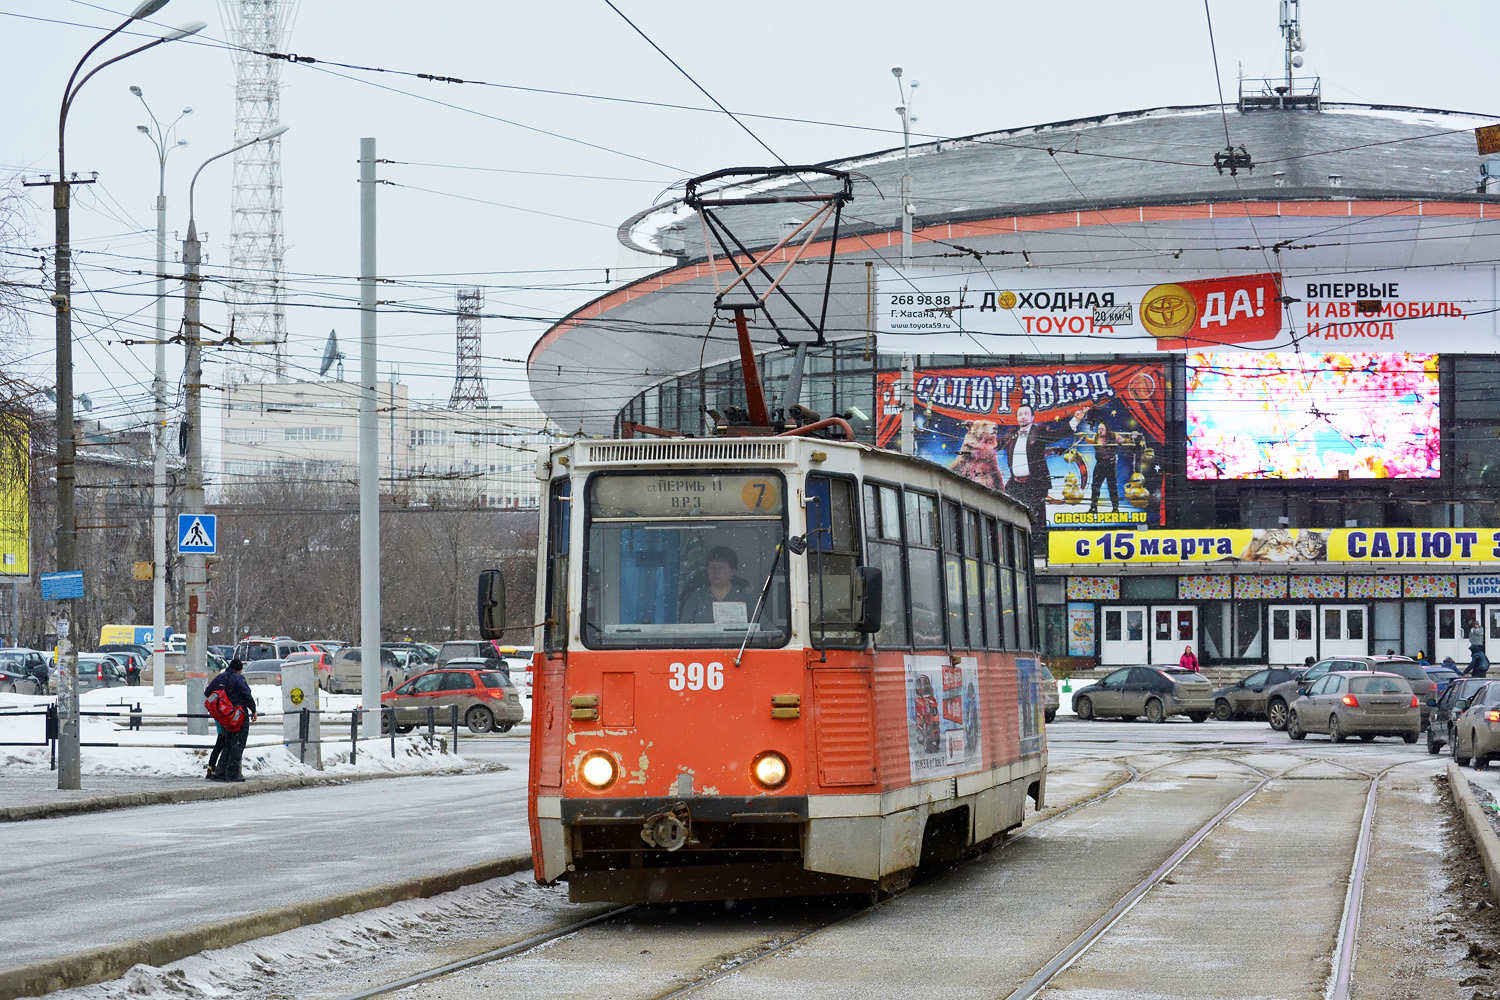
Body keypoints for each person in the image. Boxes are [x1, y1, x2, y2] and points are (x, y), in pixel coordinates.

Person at [998, 404, 1087, 518]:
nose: (1023, 417)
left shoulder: (1039, 431)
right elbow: (996, 445)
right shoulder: (1011, 434)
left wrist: (1076, 420)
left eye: (1026, 414)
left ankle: (1038, 534)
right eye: (1020, 414)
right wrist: (976, 438)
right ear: (1017, 418)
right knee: (1013, 517)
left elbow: (1057, 435)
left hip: (1035, 484)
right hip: (1015, 486)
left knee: (1036, 519)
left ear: (1032, 418)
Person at [205, 658, 257, 782]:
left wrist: (223, 703)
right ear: (239, 670)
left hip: (225, 717)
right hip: (238, 715)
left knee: (227, 744)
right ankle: (233, 774)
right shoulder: (238, 679)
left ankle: (220, 773)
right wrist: (253, 710)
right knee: (237, 745)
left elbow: (207, 692)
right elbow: (246, 695)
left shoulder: (220, 677)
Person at [679, 546, 756, 624]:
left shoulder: (744, 596)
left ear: (733, 571)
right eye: (712, 567)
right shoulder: (696, 596)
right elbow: (683, 629)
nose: (716, 572)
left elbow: (763, 626)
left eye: (721, 568)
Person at [1087, 421, 1120, 515]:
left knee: (1112, 487)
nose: (1100, 431)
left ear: (1106, 430)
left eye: (1102, 429)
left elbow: (1124, 441)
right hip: (1100, 464)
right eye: (1098, 429)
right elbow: (1090, 441)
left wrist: (1132, 438)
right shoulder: (1096, 437)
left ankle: (1115, 509)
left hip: (1110, 464)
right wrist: (1083, 438)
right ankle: (1093, 509)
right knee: (1095, 486)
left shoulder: (1114, 436)